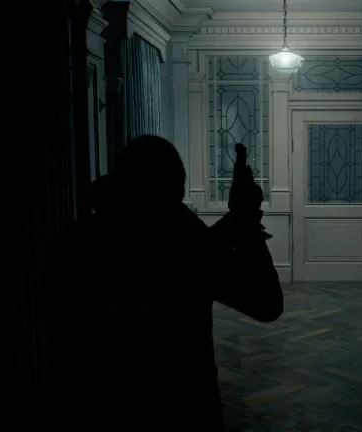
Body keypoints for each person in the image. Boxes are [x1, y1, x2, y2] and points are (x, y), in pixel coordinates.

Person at [44, 135, 282, 432]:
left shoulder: (77, 240)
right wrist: (246, 221)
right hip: (183, 406)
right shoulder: (185, 240)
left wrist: (236, 220)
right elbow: (266, 303)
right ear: (176, 188)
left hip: (97, 406)